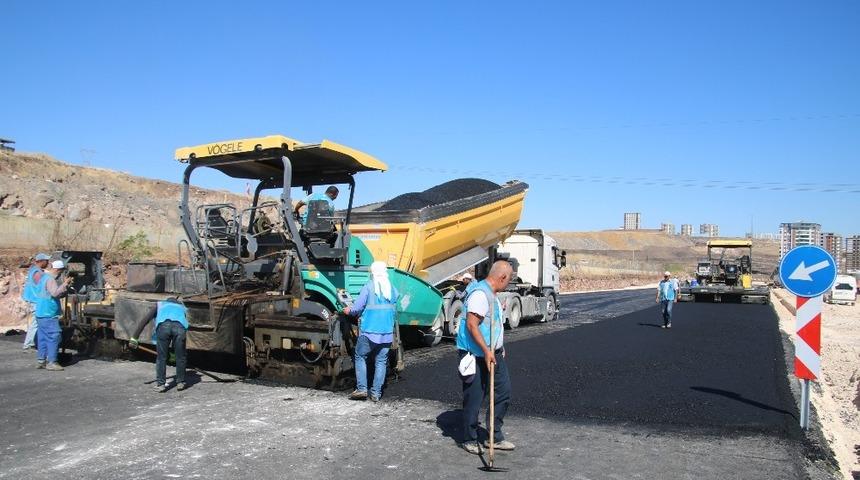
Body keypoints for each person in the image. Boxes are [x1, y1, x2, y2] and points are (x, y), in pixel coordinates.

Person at [455, 260, 515, 455]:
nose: (509, 282)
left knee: (503, 392)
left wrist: (499, 346)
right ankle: (469, 438)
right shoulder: (480, 295)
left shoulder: (493, 295)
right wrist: (487, 350)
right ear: (502, 277)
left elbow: (494, 323)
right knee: (474, 397)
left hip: (493, 353)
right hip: (476, 355)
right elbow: (472, 325)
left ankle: (493, 436)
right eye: (509, 279)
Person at [343, 261, 399, 402]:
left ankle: (362, 389)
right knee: (381, 361)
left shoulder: (369, 286)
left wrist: (348, 310)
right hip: (386, 333)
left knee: (360, 356)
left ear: (373, 273)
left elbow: (357, 308)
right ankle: (376, 393)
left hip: (369, 331)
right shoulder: (392, 289)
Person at [33, 260, 71, 370]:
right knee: (54, 335)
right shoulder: (50, 280)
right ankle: (52, 362)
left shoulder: (43, 277)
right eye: (60, 272)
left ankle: (41, 360)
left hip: (40, 312)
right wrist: (65, 284)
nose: (60, 274)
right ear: (58, 270)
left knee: (43, 337)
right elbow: (55, 293)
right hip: (48, 312)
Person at [153, 297, 189, 392]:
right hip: (180, 328)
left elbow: (146, 319)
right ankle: (180, 382)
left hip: (163, 326)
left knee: (161, 357)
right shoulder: (181, 307)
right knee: (180, 356)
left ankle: (161, 384)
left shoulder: (160, 304)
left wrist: (134, 337)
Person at [21, 253, 51, 350]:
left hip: (31, 299)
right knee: (36, 323)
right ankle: (28, 345)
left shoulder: (32, 270)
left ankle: (31, 343)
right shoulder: (38, 273)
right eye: (47, 261)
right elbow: (43, 286)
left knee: (34, 323)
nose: (48, 262)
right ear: (41, 261)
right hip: (36, 301)